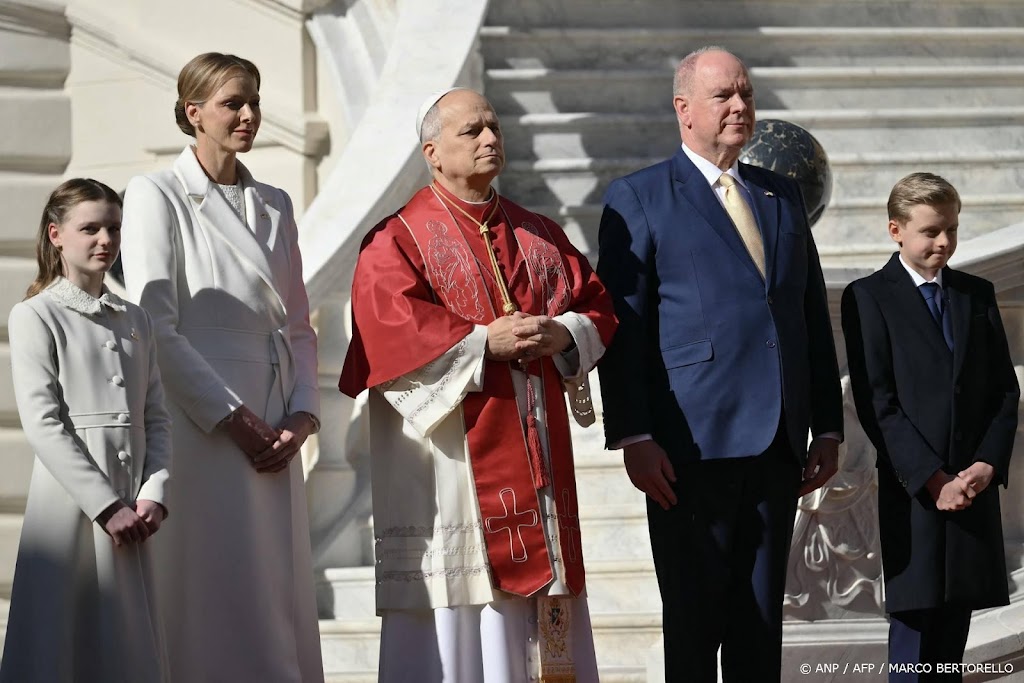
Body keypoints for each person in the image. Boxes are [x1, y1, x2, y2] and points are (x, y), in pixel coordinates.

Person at [339, 87, 617, 683]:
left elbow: (596, 305)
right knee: (464, 625)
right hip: (451, 471)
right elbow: (388, 329)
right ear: (433, 151)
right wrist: (480, 343)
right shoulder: (397, 240)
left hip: (537, 459)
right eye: (472, 131)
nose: (491, 138)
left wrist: (561, 334)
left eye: (493, 126)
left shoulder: (539, 232)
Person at [596, 46, 844, 682]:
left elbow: (808, 314)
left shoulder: (781, 193)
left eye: (747, 94)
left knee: (760, 627)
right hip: (689, 449)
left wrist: (828, 425)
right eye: (723, 96)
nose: (740, 106)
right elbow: (622, 327)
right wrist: (635, 434)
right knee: (694, 623)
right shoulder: (640, 196)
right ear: (684, 110)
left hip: (777, 445)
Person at [119, 53, 324, 682]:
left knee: (271, 582)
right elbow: (156, 322)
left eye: (255, 101)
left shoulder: (276, 202)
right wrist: (231, 418)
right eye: (233, 102)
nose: (249, 115)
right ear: (193, 112)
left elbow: (297, 323)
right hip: (198, 420)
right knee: (207, 580)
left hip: (275, 418)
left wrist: (304, 412)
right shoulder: (157, 193)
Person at [842, 172, 1019, 681]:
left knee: (950, 649)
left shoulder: (975, 295)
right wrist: (934, 480)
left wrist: (986, 462)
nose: (944, 242)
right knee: (914, 643)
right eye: (931, 231)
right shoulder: (869, 297)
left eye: (953, 230)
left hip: (972, 492)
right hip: (916, 495)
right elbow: (878, 403)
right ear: (896, 229)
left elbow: (1004, 392)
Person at [1, 179, 172, 683]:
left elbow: (157, 414)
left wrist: (155, 492)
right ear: (56, 235)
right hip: (72, 506)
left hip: (135, 509)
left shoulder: (135, 318)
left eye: (113, 228)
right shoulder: (36, 315)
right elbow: (43, 422)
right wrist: (106, 505)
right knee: (63, 641)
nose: (105, 239)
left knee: (126, 644)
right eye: (89, 228)